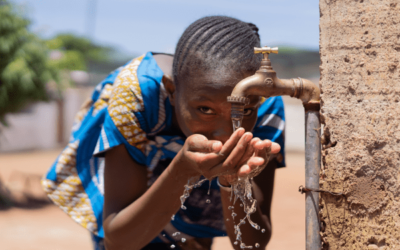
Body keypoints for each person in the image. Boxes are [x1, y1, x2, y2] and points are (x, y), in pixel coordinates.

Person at [41, 16, 285, 250]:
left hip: (183, 195)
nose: (224, 135)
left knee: (191, 241)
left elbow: (251, 245)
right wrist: (182, 170)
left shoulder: (263, 103)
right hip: (134, 187)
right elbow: (119, 242)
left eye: (245, 110)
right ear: (172, 90)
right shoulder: (137, 94)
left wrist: (232, 182)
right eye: (205, 109)